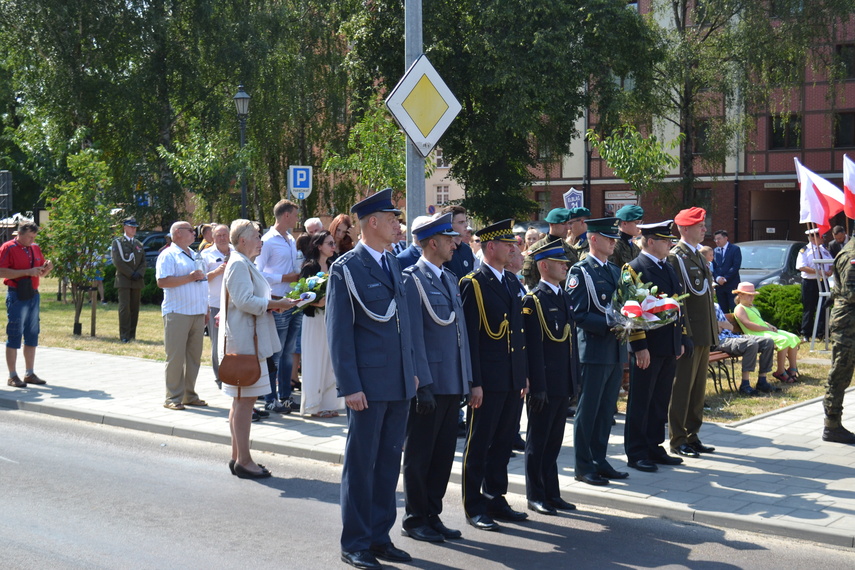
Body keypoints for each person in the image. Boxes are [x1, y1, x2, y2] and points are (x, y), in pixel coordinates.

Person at [326, 188, 419, 570]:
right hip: (367, 385)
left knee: (387, 464)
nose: (399, 224)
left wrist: (412, 372)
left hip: (397, 382)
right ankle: (356, 541)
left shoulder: (393, 263)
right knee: (361, 465)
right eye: (393, 218)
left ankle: (380, 536)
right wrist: (349, 386)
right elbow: (339, 333)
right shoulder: (346, 269)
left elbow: (404, 325)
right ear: (374, 223)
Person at [400, 214, 472, 543]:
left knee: (443, 454)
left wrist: (467, 380)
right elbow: (413, 337)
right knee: (420, 454)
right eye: (448, 238)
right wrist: (422, 383)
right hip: (429, 384)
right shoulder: (412, 279)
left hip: (451, 381)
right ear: (433, 242)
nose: (455, 243)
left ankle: (433, 513)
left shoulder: (449, 277)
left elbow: (460, 335)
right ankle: (415, 519)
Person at [459, 219, 528, 531]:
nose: (513, 248)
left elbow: (519, 333)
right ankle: (474, 504)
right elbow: (470, 339)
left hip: (511, 377)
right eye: (507, 244)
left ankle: (496, 496)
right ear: (490, 247)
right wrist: (474, 382)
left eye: (512, 243)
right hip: (486, 380)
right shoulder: (472, 284)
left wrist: (522, 375)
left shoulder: (512, 282)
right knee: (479, 443)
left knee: (503, 442)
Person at [220, 219, 297, 478]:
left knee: (241, 401)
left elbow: (250, 297)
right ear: (242, 240)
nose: (260, 241)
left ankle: (237, 456)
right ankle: (244, 460)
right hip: (246, 344)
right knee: (245, 402)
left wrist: (277, 302)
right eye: (256, 236)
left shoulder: (242, 263)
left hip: (246, 341)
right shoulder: (240, 264)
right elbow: (244, 301)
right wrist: (275, 305)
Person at [567, 217, 628, 486]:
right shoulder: (581, 272)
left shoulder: (615, 271)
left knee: (606, 411)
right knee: (588, 410)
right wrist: (608, 323)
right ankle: (583, 465)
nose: (614, 242)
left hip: (615, 350)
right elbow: (577, 314)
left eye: (614, 237)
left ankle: (599, 459)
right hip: (593, 349)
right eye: (608, 237)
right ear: (593, 239)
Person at [623, 221, 686, 473]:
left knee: (660, 399)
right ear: (650, 242)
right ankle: (636, 451)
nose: (670, 243)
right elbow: (630, 310)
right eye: (665, 240)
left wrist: (679, 339)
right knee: (641, 400)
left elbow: (675, 304)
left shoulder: (667, 266)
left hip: (667, 344)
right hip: (648, 347)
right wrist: (639, 346)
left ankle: (654, 445)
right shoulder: (635, 268)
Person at [521, 240, 576, 515]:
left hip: (561, 382)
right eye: (559, 262)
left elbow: (569, 345)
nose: (565, 265)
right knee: (538, 440)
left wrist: (573, 381)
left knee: (554, 441)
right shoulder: (533, 301)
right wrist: (537, 386)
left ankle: (552, 492)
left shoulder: (562, 295)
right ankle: (535, 494)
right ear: (544, 265)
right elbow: (532, 347)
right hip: (544, 384)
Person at [668, 207, 718, 459]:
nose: (704, 228)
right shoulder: (677, 257)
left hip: (703, 331)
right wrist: (683, 333)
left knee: (698, 388)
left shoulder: (697, 256)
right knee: (683, 387)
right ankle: (677, 438)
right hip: (690, 332)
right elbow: (679, 301)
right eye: (699, 225)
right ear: (685, 228)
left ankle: (692, 434)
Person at [156, 221, 210, 410]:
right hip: (177, 312)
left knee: (194, 357)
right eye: (190, 230)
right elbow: (162, 281)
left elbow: (203, 282)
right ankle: (172, 397)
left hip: (197, 312)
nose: (195, 233)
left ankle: (189, 394)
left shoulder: (194, 254)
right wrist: (189, 277)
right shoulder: (168, 255)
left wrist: (206, 309)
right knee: (176, 357)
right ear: (178, 233)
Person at [255, 199, 302, 414]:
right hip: (277, 301)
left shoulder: (290, 238)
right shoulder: (267, 240)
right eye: (295, 214)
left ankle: (285, 396)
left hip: (292, 300)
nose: (297, 218)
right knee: (277, 352)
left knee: (288, 351)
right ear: (286, 216)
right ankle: (270, 398)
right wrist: (284, 277)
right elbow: (258, 271)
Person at [0, 221, 53, 387]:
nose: (32, 240)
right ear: (20, 233)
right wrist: (26, 272)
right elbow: (1, 271)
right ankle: (12, 375)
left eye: (34, 237)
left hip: (33, 295)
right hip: (17, 295)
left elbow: (41, 273)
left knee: (32, 334)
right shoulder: (8, 247)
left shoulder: (35, 248)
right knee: (15, 333)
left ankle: (29, 373)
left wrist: (47, 268)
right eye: (29, 237)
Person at [298, 230, 343, 418]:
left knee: (330, 361)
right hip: (314, 319)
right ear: (319, 246)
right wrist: (318, 302)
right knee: (315, 359)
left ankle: (328, 404)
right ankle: (313, 405)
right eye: (329, 243)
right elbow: (300, 297)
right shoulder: (309, 267)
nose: (333, 247)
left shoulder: (334, 265)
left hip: (330, 319)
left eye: (334, 243)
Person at [732, 282, 801, 384]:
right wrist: (766, 329)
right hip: (755, 334)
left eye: (753, 296)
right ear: (740, 295)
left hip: (763, 330)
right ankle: (780, 371)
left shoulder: (751, 307)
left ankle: (792, 368)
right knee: (783, 340)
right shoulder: (740, 308)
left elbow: (759, 320)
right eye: (749, 295)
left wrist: (769, 325)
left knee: (793, 337)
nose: (752, 298)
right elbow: (748, 324)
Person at [822, 235, 855, 444]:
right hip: (848, 325)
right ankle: (832, 425)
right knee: (841, 370)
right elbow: (852, 293)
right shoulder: (852, 255)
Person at [713, 302, 777, 396]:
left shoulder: (715, 306)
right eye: (711, 289)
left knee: (768, 342)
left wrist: (719, 324)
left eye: (713, 289)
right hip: (718, 341)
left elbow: (730, 327)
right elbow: (713, 331)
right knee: (751, 344)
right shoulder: (701, 308)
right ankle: (745, 385)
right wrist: (720, 326)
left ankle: (762, 381)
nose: (713, 292)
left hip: (732, 336)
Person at [202, 224, 232, 388]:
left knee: (232, 342)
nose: (222, 238)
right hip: (215, 304)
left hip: (234, 303)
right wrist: (217, 271)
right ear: (212, 237)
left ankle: (232, 373)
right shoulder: (206, 254)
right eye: (218, 235)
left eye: (224, 234)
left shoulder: (235, 252)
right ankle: (220, 377)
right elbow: (201, 278)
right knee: (217, 343)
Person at [521, 208, 578, 289]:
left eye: (568, 223)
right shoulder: (536, 250)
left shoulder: (570, 250)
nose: (568, 227)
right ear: (552, 224)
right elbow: (531, 283)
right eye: (563, 223)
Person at [111, 218, 147, 343]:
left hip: (136, 280)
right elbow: (118, 262)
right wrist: (131, 273)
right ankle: (124, 335)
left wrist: (139, 273)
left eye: (135, 227)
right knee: (125, 308)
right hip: (124, 280)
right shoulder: (118, 243)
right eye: (131, 227)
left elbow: (143, 262)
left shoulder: (138, 244)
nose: (134, 229)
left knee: (134, 308)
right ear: (125, 227)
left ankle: (132, 335)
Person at [797, 228, 833, 340]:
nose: (823, 239)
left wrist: (831, 270)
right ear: (813, 238)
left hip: (823, 282)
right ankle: (806, 333)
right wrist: (820, 272)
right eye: (821, 236)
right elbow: (801, 267)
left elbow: (831, 261)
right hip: (810, 282)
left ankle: (821, 333)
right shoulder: (805, 250)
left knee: (823, 307)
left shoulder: (824, 249)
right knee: (809, 308)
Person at [441, 205, 477, 280]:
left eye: (465, 221)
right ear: (449, 225)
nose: (466, 225)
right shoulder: (443, 249)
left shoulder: (467, 249)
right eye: (461, 222)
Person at [713, 230, 742, 312]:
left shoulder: (735, 249)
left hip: (732, 284)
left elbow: (736, 266)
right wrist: (718, 278)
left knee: (734, 308)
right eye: (715, 239)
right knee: (723, 310)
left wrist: (725, 278)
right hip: (720, 286)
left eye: (719, 239)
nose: (717, 241)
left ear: (726, 238)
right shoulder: (715, 251)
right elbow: (713, 267)